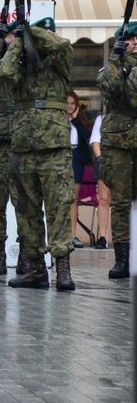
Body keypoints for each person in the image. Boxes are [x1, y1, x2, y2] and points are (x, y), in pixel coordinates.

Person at [0, 16, 76, 290]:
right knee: (26, 210)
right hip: (23, 146)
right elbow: (4, 71)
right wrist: (19, 40)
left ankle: (63, 269)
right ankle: (35, 269)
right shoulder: (20, 65)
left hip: (54, 147)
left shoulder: (59, 64)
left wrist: (32, 31)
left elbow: (62, 45)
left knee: (58, 207)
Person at [0, 21, 35, 276]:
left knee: (23, 200)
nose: (12, 38)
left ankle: (25, 255)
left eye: (15, 34)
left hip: (23, 137)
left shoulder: (27, 59)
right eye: (9, 34)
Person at [96, 21, 137, 279]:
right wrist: (115, 58)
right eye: (130, 40)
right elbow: (108, 85)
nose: (135, 44)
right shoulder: (111, 67)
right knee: (121, 203)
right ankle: (122, 258)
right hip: (118, 145)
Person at [67, 89, 92, 248]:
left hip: (76, 158)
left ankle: (72, 236)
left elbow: (87, 137)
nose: (69, 106)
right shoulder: (56, 120)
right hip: (61, 156)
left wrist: (75, 120)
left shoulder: (80, 121)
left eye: (72, 103)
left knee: (73, 199)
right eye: (67, 103)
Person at [89, 114, 110, 249]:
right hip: (105, 161)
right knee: (103, 199)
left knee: (127, 201)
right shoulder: (101, 118)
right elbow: (95, 142)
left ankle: (126, 240)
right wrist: (103, 162)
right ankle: (102, 237)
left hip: (127, 161)